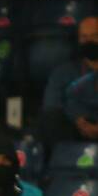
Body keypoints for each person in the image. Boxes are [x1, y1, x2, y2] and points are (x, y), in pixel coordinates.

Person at [38, 15, 98, 147]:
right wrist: (77, 119)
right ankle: (59, 164)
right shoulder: (63, 72)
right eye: (84, 37)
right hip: (74, 130)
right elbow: (51, 104)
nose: (89, 41)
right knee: (51, 118)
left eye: (94, 36)